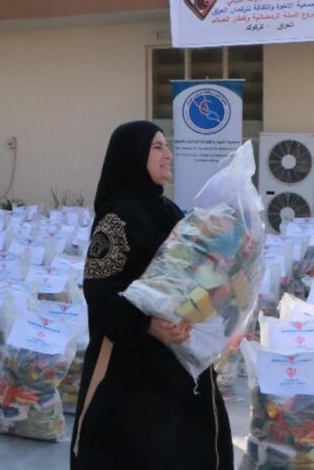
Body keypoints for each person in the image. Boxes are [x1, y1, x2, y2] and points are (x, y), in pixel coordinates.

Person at [70, 121, 232, 469]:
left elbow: (192, 273)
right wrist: (146, 324)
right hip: (132, 368)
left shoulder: (168, 210)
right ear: (133, 156)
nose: (168, 153)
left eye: (166, 145)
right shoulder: (116, 217)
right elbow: (98, 289)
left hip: (181, 359)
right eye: (157, 146)